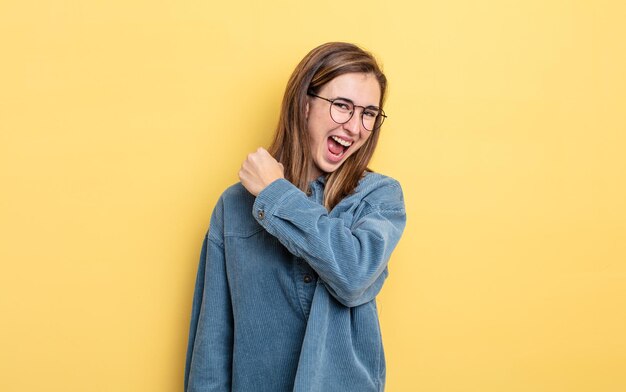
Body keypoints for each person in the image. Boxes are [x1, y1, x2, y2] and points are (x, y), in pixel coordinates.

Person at [184, 42, 407, 392]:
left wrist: (275, 194)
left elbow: (352, 275)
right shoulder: (233, 207)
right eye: (342, 106)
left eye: (368, 113)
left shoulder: (378, 198)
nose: (355, 126)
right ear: (304, 103)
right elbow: (212, 343)